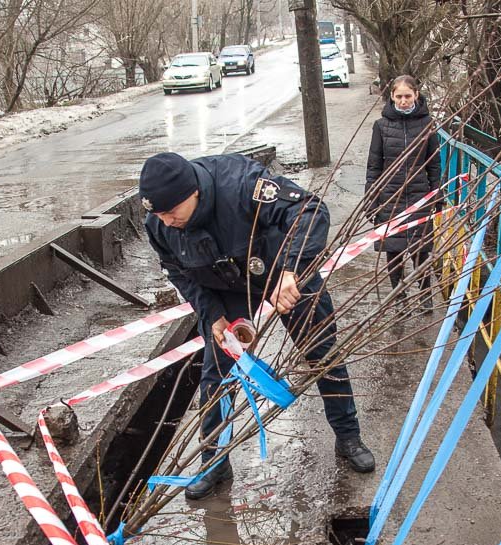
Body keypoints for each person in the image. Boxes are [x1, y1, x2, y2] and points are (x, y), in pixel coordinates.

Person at [139, 152, 376, 500]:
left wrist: (293, 270)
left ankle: (348, 436)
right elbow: (178, 272)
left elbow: (310, 210)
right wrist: (211, 313)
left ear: (194, 192)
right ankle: (214, 461)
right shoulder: (159, 223)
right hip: (224, 288)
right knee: (216, 377)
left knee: (323, 354)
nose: (166, 220)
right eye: (159, 214)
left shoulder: (242, 184)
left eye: (171, 211)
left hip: (282, 270)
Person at [365, 74, 442, 309]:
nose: (403, 101)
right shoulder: (381, 126)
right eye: (398, 96)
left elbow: (434, 164)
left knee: (421, 248)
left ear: (416, 95)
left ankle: (425, 296)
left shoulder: (428, 124)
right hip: (390, 197)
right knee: (394, 250)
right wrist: (371, 200)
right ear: (392, 97)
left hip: (419, 197)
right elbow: (374, 165)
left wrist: (437, 195)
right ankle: (399, 298)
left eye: (408, 96)